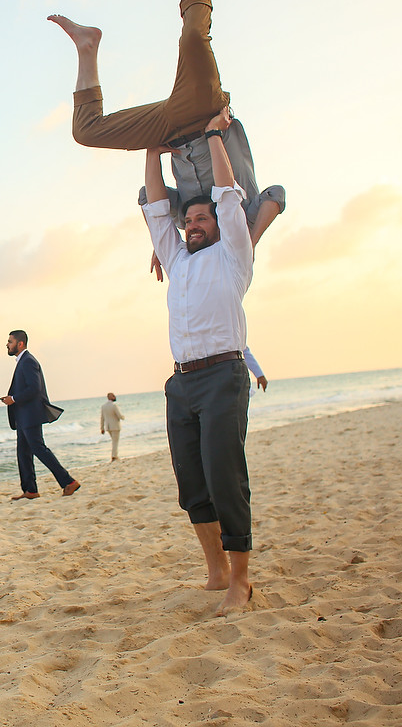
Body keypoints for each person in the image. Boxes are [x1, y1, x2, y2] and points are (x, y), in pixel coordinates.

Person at [48, 0, 283, 280]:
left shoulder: (182, 220)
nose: (193, 227)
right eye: (197, 227)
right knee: (192, 39)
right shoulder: (243, 216)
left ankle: (87, 46)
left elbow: (148, 196)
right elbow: (276, 195)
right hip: (205, 112)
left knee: (85, 131)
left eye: (191, 229)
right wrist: (248, 242)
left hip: (168, 131)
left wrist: (163, 241)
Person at [144, 104, 255, 616]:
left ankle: (241, 579)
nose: (192, 223)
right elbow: (154, 210)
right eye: (187, 219)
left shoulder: (233, 254)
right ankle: (213, 571)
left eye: (200, 217)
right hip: (181, 383)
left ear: (215, 224)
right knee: (192, 481)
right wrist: (150, 150)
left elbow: (230, 198)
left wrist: (213, 136)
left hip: (223, 377)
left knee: (225, 475)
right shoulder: (176, 261)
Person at [1, 330, 80, 500]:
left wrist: (13, 398)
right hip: (23, 416)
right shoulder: (23, 362)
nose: (7, 344)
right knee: (23, 453)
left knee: (39, 449)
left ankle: (68, 482)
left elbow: (34, 388)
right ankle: (30, 490)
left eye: (10, 341)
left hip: (30, 415)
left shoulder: (28, 361)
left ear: (20, 344)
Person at [99, 392, 124, 461]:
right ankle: (114, 456)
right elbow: (119, 415)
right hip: (115, 426)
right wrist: (123, 417)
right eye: (113, 396)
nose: (115, 397)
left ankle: (114, 455)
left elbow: (102, 418)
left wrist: (102, 428)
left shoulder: (103, 406)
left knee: (114, 441)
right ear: (110, 397)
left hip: (108, 427)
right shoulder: (114, 405)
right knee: (115, 442)